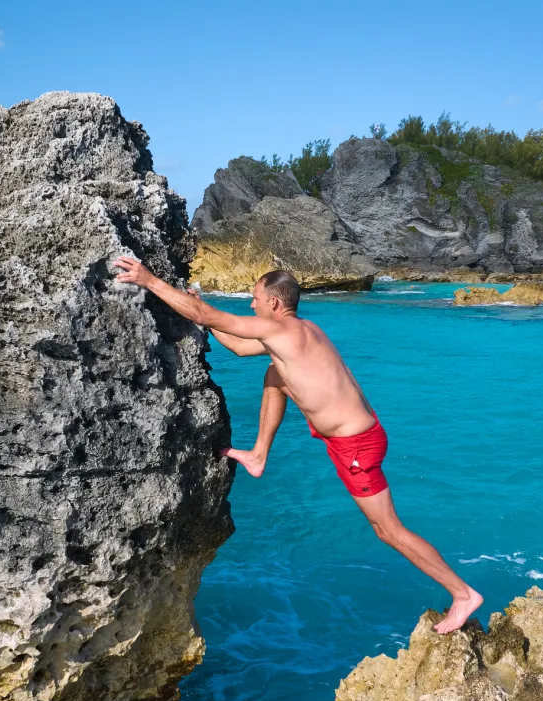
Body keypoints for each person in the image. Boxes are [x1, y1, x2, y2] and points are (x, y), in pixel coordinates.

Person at [112, 258, 483, 634]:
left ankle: (462, 593)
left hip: (356, 446)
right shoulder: (301, 333)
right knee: (276, 373)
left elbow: (209, 316)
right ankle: (258, 455)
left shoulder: (284, 335)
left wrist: (149, 280)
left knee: (388, 530)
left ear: (274, 303)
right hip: (354, 435)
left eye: (255, 299)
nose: (251, 305)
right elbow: (240, 347)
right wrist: (197, 314)